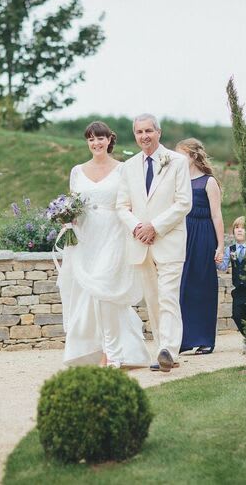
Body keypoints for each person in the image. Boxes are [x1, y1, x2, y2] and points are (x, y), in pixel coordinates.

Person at [58, 121, 152, 368]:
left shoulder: (123, 170)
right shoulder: (77, 171)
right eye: (90, 139)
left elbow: (131, 203)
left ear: (110, 140)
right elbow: (74, 204)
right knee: (87, 295)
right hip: (85, 238)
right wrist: (66, 218)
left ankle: (112, 354)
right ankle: (92, 350)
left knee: (105, 292)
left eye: (100, 138)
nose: (96, 143)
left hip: (114, 235)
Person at [116, 114, 192, 372]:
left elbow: (184, 203)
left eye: (149, 130)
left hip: (169, 240)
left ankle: (168, 350)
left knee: (168, 296)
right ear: (135, 135)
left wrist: (155, 227)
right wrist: (138, 227)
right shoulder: (128, 167)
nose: (144, 136)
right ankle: (162, 349)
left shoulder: (177, 162)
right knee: (152, 298)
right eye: (139, 132)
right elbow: (122, 206)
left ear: (158, 132)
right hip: (141, 243)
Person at [175, 138, 224, 355]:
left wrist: (220, 246)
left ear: (193, 156)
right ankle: (184, 339)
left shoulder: (208, 182)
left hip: (204, 235)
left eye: (182, 155)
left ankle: (205, 339)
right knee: (182, 286)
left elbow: (217, 215)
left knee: (203, 286)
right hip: (183, 234)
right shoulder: (178, 181)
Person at [225, 217, 246, 350]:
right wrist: (217, 259)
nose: (239, 230)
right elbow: (223, 266)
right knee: (237, 315)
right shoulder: (230, 249)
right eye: (236, 227)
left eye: (243, 227)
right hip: (238, 289)